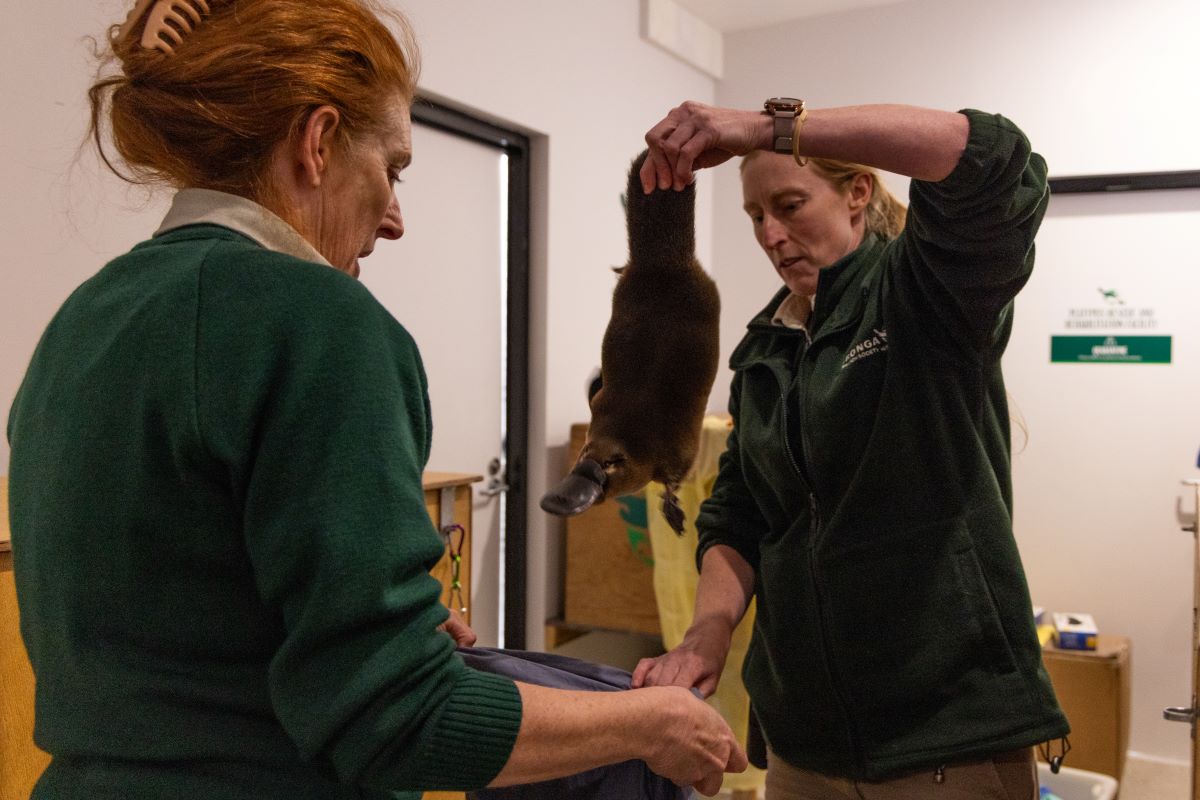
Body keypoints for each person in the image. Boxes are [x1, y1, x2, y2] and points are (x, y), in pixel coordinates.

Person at [5, 3, 746, 799]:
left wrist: (376, 628)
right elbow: (399, 719)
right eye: (392, 170)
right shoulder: (321, 323)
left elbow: (181, 608)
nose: (395, 220)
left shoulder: (83, 321)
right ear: (317, 142)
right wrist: (652, 723)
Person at [631, 99, 1069, 799]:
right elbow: (741, 510)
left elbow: (988, 156)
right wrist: (706, 631)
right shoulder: (764, 351)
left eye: (790, 204)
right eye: (754, 216)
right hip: (805, 743)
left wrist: (767, 126)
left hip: (944, 736)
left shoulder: (923, 293)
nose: (772, 234)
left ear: (857, 192)